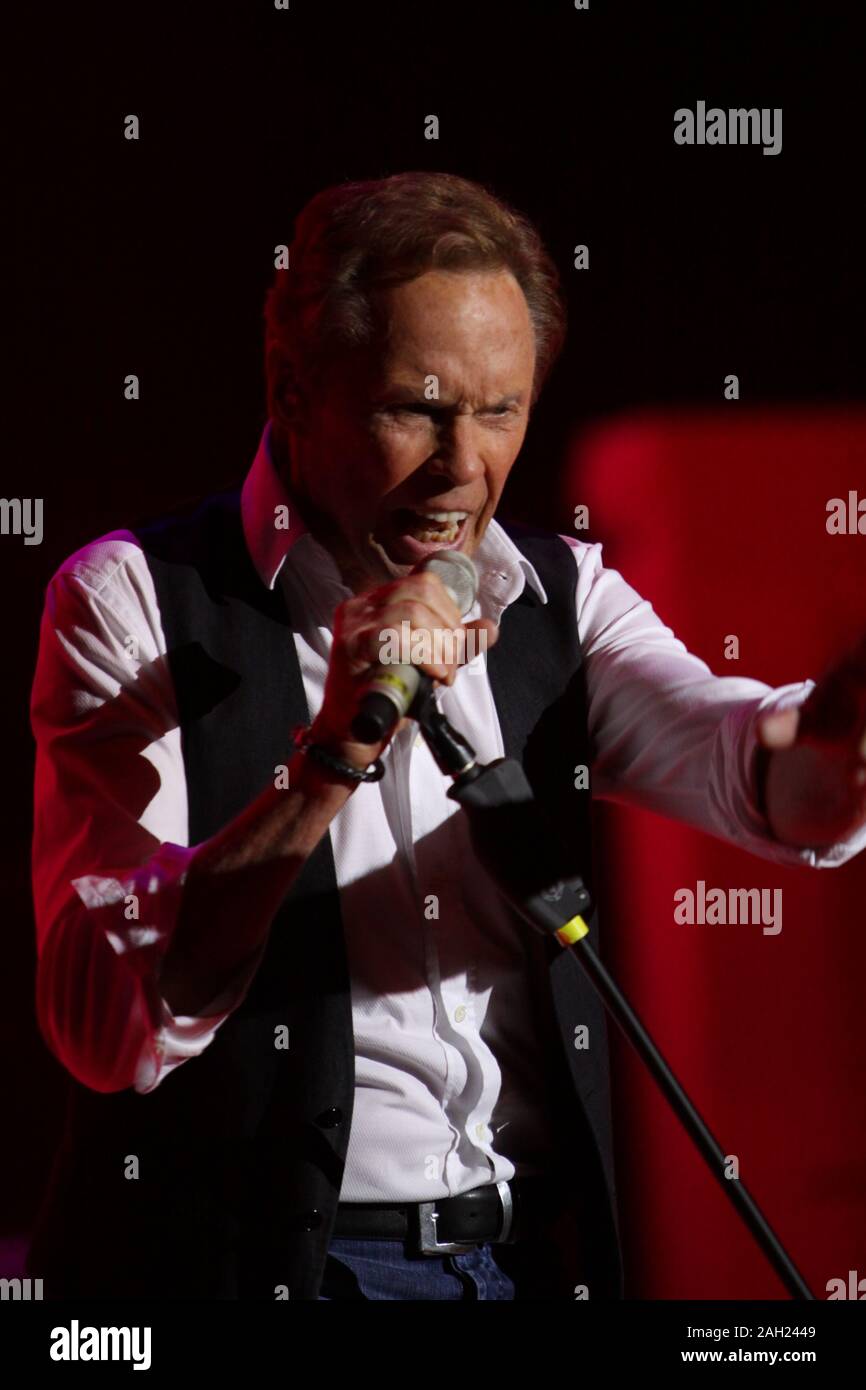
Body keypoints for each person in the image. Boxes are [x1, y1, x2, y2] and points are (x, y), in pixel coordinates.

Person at [27, 171, 866, 1301]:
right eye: (416, 409)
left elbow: (749, 768)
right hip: (250, 1268)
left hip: (518, 1263)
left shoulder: (556, 598)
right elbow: (103, 1026)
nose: (463, 464)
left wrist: (832, 741)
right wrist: (327, 760)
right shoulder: (133, 603)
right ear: (293, 390)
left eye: (500, 410)